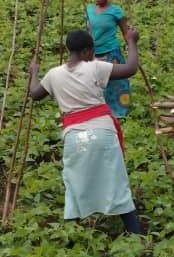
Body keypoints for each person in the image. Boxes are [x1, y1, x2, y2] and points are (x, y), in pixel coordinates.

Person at [29, 28, 143, 233]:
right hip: (103, 134)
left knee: (75, 182)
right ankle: (135, 233)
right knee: (115, 180)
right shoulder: (95, 68)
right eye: (92, 51)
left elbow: (35, 94)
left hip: (75, 138)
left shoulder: (53, 75)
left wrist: (34, 72)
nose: (92, 56)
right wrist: (132, 41)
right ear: (86, 51)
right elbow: (131, 68)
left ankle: (71, 233)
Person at [86, 0, 132, 118]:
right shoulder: (88, 9)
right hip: (93, 53)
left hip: (111, 52)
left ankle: (118, 112)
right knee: (96, 83)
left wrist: (132, 44)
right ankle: (97, 111)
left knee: (116, 83)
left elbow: (126, 32)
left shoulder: (115, 11)